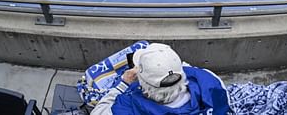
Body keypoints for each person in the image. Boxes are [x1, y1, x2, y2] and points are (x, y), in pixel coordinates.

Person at [91, 43, 229, 115]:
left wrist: (123, 84)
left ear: (141, 81)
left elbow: (97, 112)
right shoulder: (211, 81)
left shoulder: (125, 107)